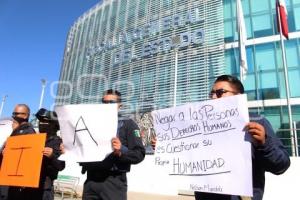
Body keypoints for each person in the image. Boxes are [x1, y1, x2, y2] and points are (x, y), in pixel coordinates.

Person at [194, 75, 291, 200]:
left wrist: (264, 143)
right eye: (211, 93)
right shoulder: (199, 126)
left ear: (238, 96)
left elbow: (281, 165)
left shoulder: (257, 122)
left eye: (220, 93)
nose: (213, 97)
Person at [80, 89, 145, 200]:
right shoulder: (91, 124)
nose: (107, 105)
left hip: (113, 182)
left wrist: (121, 151)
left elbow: (139, 154)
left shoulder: (128, 124)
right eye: (104, 102)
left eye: (111, 103)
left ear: (120, 105)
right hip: (91, 181)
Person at [0, 104, 36, 200]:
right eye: (13, 113)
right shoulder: (16, 130)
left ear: (26, 116)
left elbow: (27, 157)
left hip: (15, 181)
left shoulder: (29, 132)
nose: (14, 116)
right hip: (7, 177)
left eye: (17, 113)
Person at [35, 108, 65, 200]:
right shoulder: (35, 140)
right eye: (40, 121)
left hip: (45, 187)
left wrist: (52, 156)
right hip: (30, 185)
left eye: (45, 121)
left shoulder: (57, 142)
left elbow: (61, 166)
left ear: (54, 125)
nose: (41, 124)